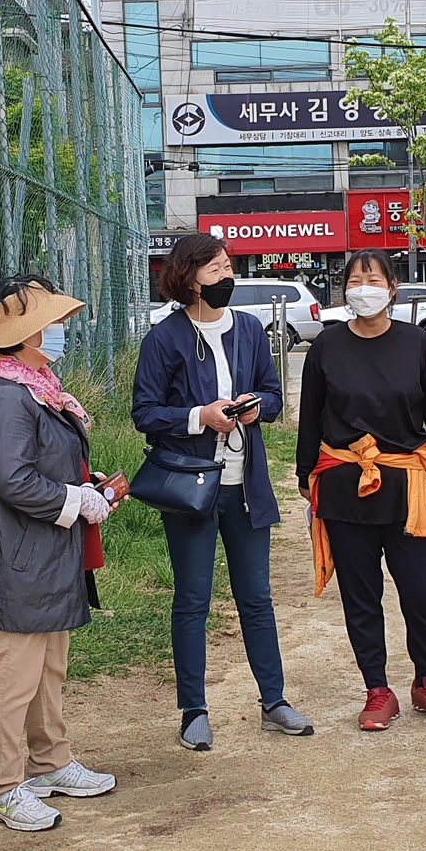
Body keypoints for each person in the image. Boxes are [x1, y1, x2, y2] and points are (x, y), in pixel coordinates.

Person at [132, 232, 313, 751]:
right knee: (193, 600)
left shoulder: (250, 329)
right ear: (187, 278)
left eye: (229, 267)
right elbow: (145, 412)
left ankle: (274, 701)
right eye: (215, 269)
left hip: (246, 485)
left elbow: (274, 394)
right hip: (191, 488)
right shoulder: (164, 338)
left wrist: (258, 408)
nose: (226, 276)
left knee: (257, 597)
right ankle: (194, 710)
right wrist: (199, 416)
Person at [0, 275, 118, 830]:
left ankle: (50, 762)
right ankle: (0, 788)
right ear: (25, 334)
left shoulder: (33, 385)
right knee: (15, 677)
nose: (61, 331)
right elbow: (14, 480)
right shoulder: (6, 395)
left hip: (42, 553)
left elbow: (37, 463)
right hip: (16, 559)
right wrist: (75, 499)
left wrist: (84, 483)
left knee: (48, 668)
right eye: (52, 323)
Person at [297, 248, 426, 731]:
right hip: (344, 484)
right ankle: (377, 689)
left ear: (392, 289)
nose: (363, 289)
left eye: (373, 280)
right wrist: (307, 474)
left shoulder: (418, 345)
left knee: (423, 593)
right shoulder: (327, 346)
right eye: (355, 280)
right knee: (360, 593)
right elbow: (310, 416)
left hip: (407, 485)